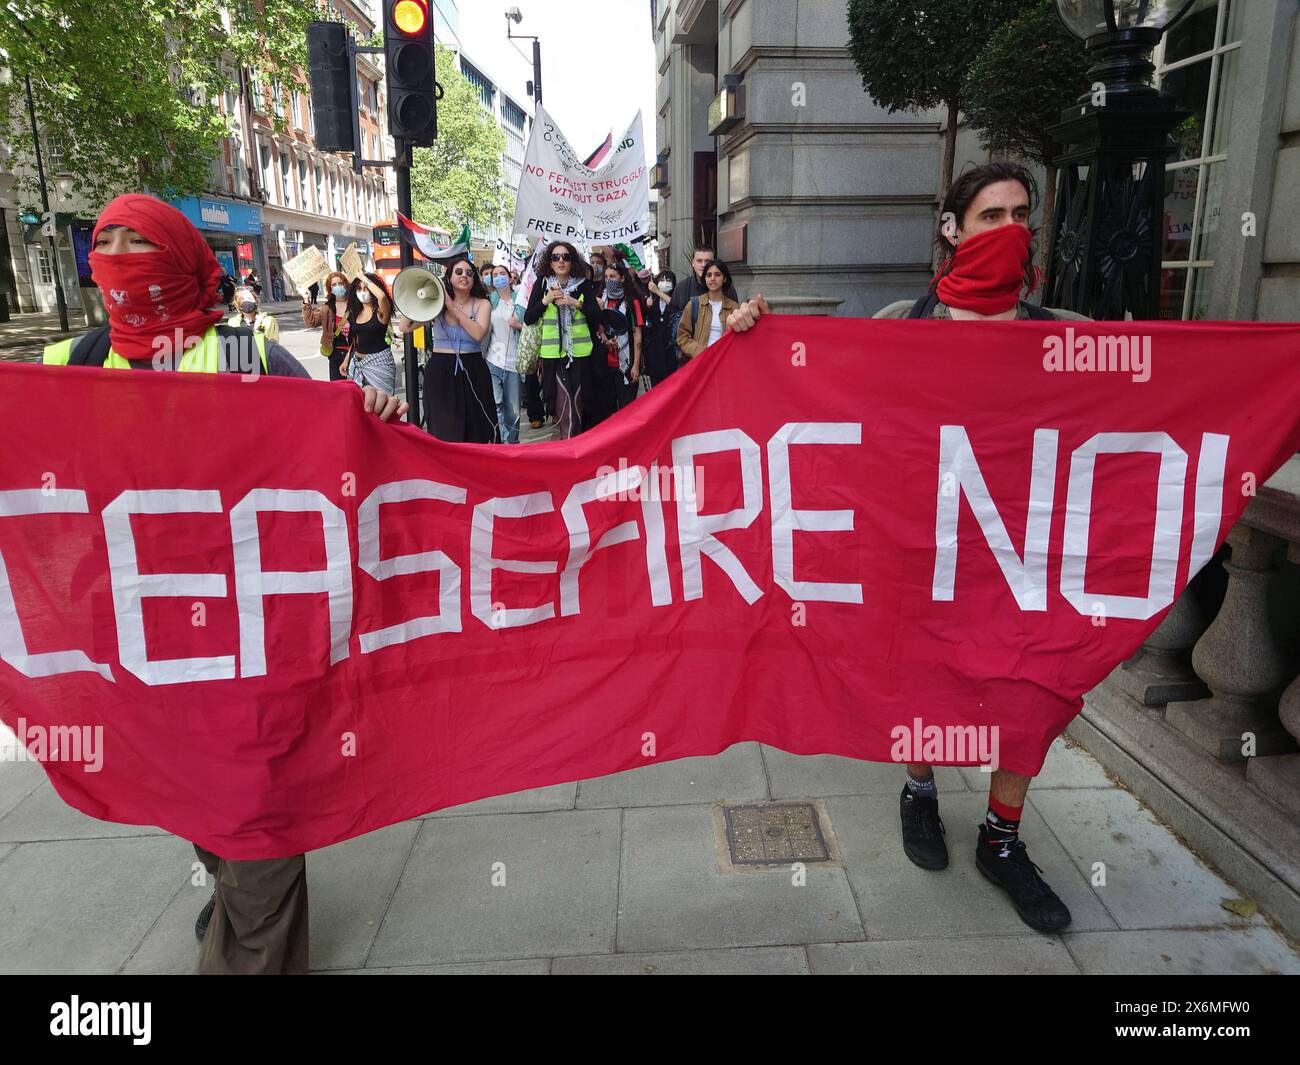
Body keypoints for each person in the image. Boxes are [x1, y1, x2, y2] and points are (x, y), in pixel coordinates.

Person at [42, 193, 407, 976]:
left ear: (178, 259)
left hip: (251, 630)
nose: (119, 260)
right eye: (107, 245)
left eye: (138, 243)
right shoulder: (72, 361)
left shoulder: (248, 353)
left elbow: (330, 441)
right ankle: (234, 877)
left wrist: (372, 411)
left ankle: (250, 908)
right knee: (203, 803)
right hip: (143, 643)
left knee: (255, 809)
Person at [727, 161, 1087, 936]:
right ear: (953, 229)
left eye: (1022, 213)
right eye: (991, 215)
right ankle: (920, 791)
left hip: (1020, 557)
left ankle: (1002, 838)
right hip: (921, 545)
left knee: (1031, 687)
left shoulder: (1064, 337)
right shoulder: (904, 323)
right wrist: (755, 336)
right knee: (921, 669)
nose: (1010, 229)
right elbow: (815, 381)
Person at [522, 240, 601, 439]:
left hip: (581, 357)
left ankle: (577, 447)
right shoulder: (542, 284)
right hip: (553, 357)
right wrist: (545, 301)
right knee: (562, 405)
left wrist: (577, 303)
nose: (561, 261)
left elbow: (597, 317)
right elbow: (529, 318)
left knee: (580, 405)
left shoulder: (583, 285)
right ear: (549, 262)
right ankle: (569, 448)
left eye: (566, 257)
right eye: (555, 257)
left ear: (572, 261)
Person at [424, 253, 498, 443]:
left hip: (472, 367)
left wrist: (451, 307)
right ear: (449, 277)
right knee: (444, 429)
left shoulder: (483, 304)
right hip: (441, 369)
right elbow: (405, 326)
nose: (464, 276)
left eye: (469, 273)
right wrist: (423, 298)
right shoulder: (437, 304)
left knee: (478, 428)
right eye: (458, 272)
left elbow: (478, 333)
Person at [595, 258, 643, 414]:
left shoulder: (632, 302)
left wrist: (636, 365)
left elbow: (637, 335)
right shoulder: (601, 300)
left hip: (626, 364)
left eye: (613, 276)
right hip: (605, 363)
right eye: (607, 277)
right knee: (608, 409)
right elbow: (598, 326)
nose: (609, 280)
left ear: (622, 278)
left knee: (627, 409)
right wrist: (605, 340)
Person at [484, 263, 523, 443]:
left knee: (513, 409)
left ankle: (513, 444)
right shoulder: (489, 301)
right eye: (495, 274)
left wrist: (519, 325)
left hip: (515, 363)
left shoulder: (520, 301)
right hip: (493, 361)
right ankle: (502, 443)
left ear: (510, 277)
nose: (499, 277)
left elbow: (532, 329)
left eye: (502, 273)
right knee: (497, 404)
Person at [343, 271, 399, 395]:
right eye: (359, 289)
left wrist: (363, 277)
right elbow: (355, 340)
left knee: (382, 406)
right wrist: (347, 360)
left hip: (380, 364)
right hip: (357, 363)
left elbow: (382, 297)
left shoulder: (380, 312)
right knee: (359, 405)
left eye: (366, 288)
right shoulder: (354, 313)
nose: (362, 292)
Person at [675, 259, 739, 360]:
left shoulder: (734, 307)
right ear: (704, 279)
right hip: (700, 363)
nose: (712, 278)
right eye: (708, 275)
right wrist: (697, 350)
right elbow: (682, 336)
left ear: (724, 278)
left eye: (717, 275)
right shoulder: (694, 304)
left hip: (724, 363)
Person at [301, 270, 354, 381]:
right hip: (336, 355)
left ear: (345, 284)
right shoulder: (326, 308)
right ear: (330, 289)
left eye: (340, 283)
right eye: (334, 285)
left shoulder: (355, 305)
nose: (338, 286)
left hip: (354, 354)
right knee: (338, 390)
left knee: (357, 390)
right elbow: (311, 321)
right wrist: (306, 300)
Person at [641, 269, 677, 386]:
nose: (665, 282)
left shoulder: (675, 299)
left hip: (670, 349)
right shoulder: (652, 299)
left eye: (668, 280)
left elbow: (675, 306)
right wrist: (647, 305)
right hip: (655, 350)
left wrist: (657, 291)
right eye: (662, 280)